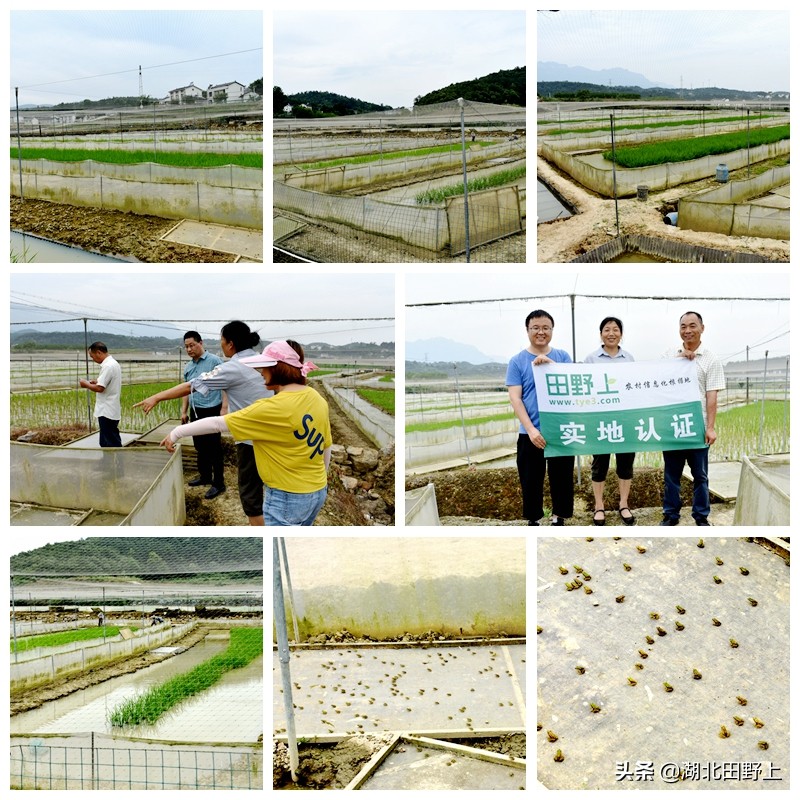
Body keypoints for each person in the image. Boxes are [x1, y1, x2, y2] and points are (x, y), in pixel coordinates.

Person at [159, 340, 332, 527]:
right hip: (317, 492)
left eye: (264, 367)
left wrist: (176, 432)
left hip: (287, 497)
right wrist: (319, 482)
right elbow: (326, 447)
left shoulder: (271, 408)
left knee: (273, 548)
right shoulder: (315, 397)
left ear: (276, 369)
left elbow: (217, 424)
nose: (260, 373)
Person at [134, 321, 270, 525]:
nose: (221, 345)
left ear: (230, 344)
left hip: (252, 440)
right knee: (274, 491)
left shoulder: (232, 366)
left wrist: (156, 398)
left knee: (251, 498)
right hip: (277, 434)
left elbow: (192, 386)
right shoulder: (266, 361)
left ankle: (261, 534)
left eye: (222, 341)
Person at [506, 310, 574, 526]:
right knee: (530, 479)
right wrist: (532, 430)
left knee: (562, 478)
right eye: (535, 328)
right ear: (527, 330)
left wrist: (551, 365)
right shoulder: (517, 361)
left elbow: (572, 387)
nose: (541, 332)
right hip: (530, 432)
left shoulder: (562, 357)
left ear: (552, 330)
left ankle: (558, 516)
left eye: (546, 328)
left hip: (560, 430)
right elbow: (516, 399)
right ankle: (534, 519)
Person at [660, 311, 725, 526]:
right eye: (683, 326)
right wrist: (679, 359)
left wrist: (711, 427)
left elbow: (711, 396)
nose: (687, 330)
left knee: (701, 476)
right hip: (674, 427)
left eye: (692, 326)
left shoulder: (711, 359)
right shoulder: (669, 355)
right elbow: (657, 380)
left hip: (697, 428)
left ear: (702, 328)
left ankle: (701, 515)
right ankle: (671, 514)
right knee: (671, 476)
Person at [584, 317, 636, 526]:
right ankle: (599, 506)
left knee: (625, 464)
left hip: (624, 421)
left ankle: (624, 504)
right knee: (600, 465)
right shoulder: (591, 359)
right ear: (601, 334)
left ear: (621, 334)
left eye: (616, 329)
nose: (611, 333)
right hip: (600, 421)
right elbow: (583, 387)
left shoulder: (629, 358)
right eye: (607, 329)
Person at [181, 331, 226, 500]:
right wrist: (184, 411)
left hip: (212, 409)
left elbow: (225, 384)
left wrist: (224, 408)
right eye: (186, 346)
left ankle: (218, 483)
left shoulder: (214, 361)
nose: (189, 349)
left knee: (214, 447)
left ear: (201, 343)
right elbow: (186, 390)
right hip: (196, 409)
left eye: (192, 345)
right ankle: (205, 476)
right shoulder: (188, 367)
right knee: (200, 446)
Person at [79, 342, 122, 447]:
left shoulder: (107, 366)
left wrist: (86, 384)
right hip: (112, 409)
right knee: (112, 438)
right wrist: (96, 381)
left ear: (98, 352)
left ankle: (112, 462)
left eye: (92, 357)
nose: (92, 359)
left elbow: (100, 388)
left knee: (108, 442)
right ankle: (116, 461)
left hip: (106, 410)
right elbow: (105, 383)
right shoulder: (114, 363)